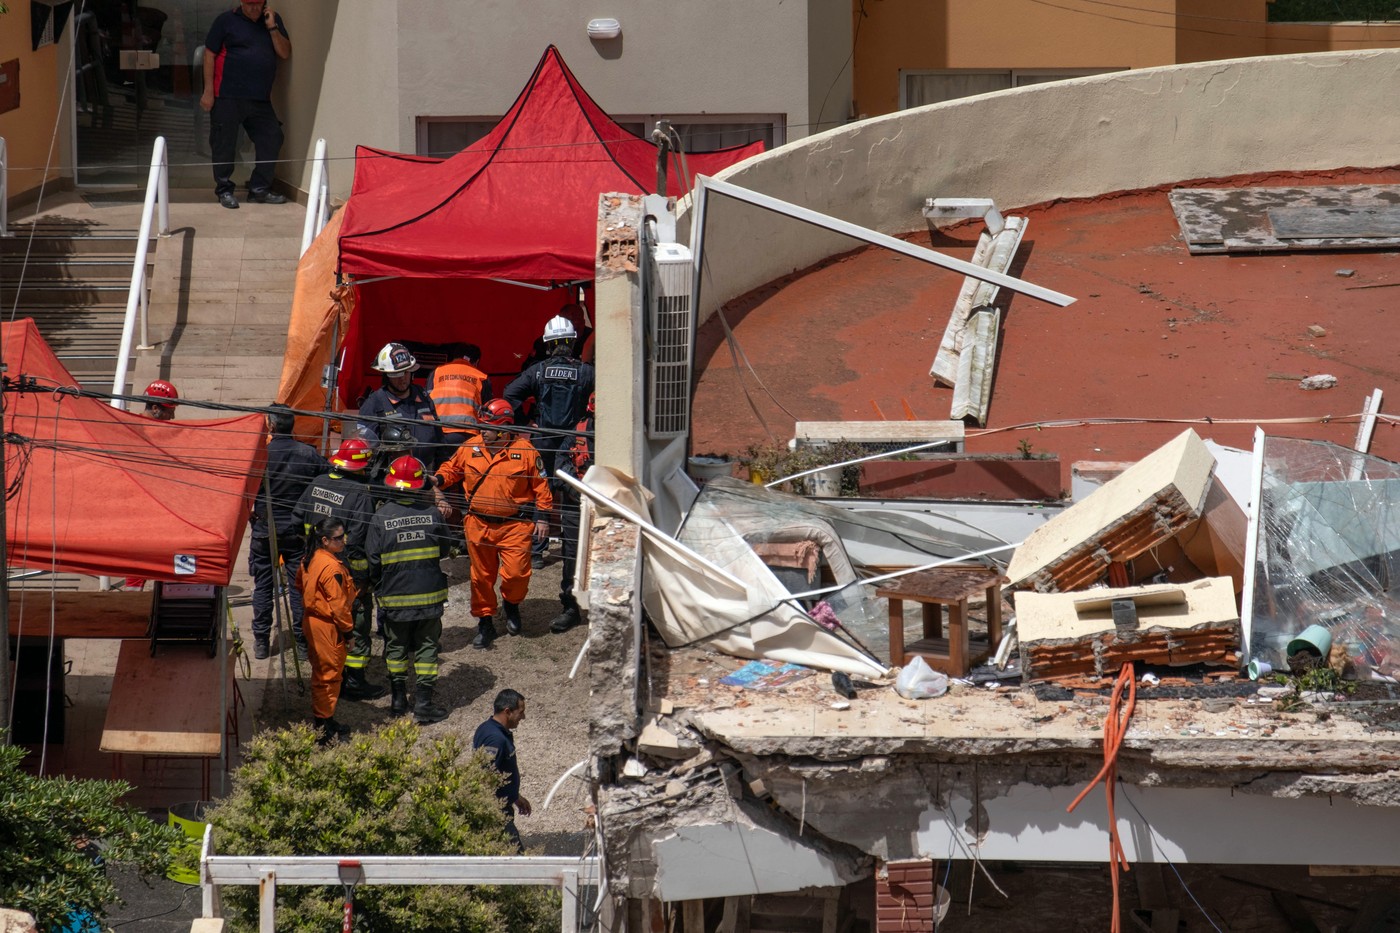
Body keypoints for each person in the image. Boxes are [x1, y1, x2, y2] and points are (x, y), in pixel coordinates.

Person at [434, 399, 553, 650]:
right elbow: (451, 469)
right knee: (481, 578)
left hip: (515, 525)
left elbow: (541, 486)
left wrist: (542, 516)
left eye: (487, 426)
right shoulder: (470, 447)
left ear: (504, 428)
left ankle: (511, 605)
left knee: (517, 574)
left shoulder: (527, 451)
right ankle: (485, 621)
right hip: (478, 523)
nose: (482, 430)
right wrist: (438, 479)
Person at [293, 437, 386, 701]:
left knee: (325, 621)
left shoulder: (317, 483)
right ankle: (354, 682)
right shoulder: (360, 494)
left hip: (315, 567)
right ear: (359, 466)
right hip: (343, 573)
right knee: (355, 624)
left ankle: (332, 673)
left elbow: (297, 519)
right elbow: (357, 540)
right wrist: (361, 578)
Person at [366, 454, 454, 724]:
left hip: (394, 598)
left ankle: (398, 700)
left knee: (396, 647)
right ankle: (424, 704)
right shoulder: (432, 515)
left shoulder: (380, 517)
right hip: (429, 598)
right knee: (427, 647)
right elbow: (445, 550)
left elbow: (372, 560)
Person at [504, 316, 594, 568]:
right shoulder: (586, 372)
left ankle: (536, 553)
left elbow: (510, 393)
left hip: (542, 440)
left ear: (548, 344)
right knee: (573, 494)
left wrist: (525, 422)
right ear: (573, 343)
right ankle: (571, 549)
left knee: (539, 493)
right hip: (574, 443)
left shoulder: (538, 370)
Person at [250, 403, 329, 661]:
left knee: (263, 586)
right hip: (297, 533)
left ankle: (261, 641)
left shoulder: (260, 454)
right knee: (298, 589)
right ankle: (302, 643)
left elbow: (244, 491)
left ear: (271, 426)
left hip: (264, 530)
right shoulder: (308, 454)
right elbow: (329, 476)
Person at [201, 1, 291, 209]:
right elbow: (209, 55)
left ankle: (259, 189)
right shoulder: (225, 21)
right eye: (249, 4)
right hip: (227, 96)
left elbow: (285, 52)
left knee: (272, 137)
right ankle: (224, 191)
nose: (253, 8)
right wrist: (208, 90)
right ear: (242, 2)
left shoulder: (272, 22)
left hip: (260, 98)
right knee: (224, 143)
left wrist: (272, 27)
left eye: (257, 4)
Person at [297, 517, 355, 745]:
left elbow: (299, 586)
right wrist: (348, 633)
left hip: (312, 622)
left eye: (344, 535)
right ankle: (323, 730)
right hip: (327, 627)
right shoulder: (331, 567)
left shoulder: (309, 558)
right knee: (328, 677)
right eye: (338, 538)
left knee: (321, 673)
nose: (344, 541)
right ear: (324, 540)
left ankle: (326, 720)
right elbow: (339, 606)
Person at [358, 342, 447, 468]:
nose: (402, 378)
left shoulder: (423, 397)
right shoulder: (375, 403)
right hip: (390, 478)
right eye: (396, 374)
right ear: (386, 376)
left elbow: (440, 441)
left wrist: (440, 477)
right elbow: (364, 448)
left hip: (425, 476)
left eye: (406, 372)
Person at [550, 392, 594, 634]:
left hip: (611, 505)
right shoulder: (575, 435)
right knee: (572, 556)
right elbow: (560, 468)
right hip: (576, 504)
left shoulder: (621, 433)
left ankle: (604, 607)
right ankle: (571, 608)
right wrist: (579, 493)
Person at [472, 688, 532, 852]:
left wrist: (515, 796)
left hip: (500, 807)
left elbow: (498, 774)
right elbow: (485, 777)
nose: (523, 717)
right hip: (496, 813)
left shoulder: (488, 728)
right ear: (507, 711)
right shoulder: (495, 739)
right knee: (516, 859)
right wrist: (492, 813)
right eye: (521, 712)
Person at [428, 343, 493, 435]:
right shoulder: (481, 377)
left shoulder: (436, 372)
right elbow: (488, 411)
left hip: (437, 430)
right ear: (476, 362)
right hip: (467, 432)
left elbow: (426, 402)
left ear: (454, 357)